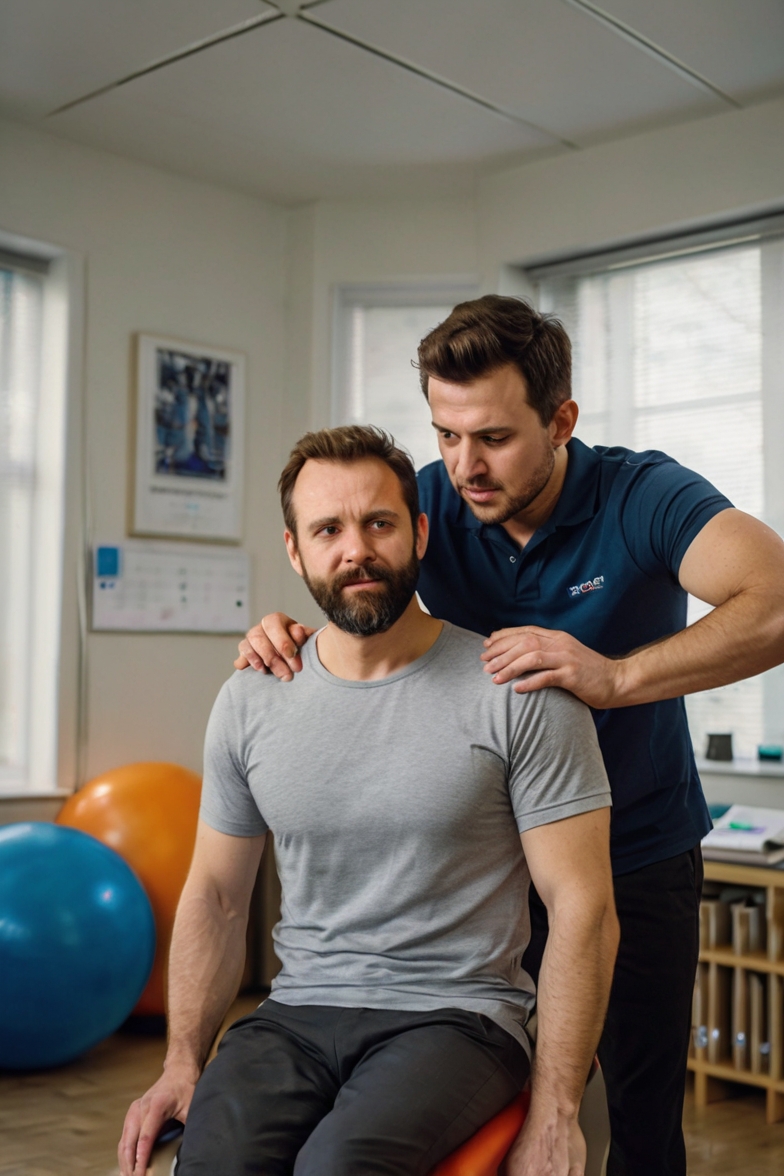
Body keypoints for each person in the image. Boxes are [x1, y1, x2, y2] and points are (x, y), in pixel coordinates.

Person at [237, 296, 784, 1176]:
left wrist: (618, 675)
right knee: (487, 1116)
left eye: (491, 436)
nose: (463, 466)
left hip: (633, 858)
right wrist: (284, 632)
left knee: (637, 1120)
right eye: (445, 435)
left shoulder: (642, 494)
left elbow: (775, 600)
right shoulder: (427, 501)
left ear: (561, 420)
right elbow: (359, 607)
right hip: (481, 869)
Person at [119, 425, 617, 1176]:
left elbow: (584, 906)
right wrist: (181, 1063)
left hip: (459, 1017)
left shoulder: (516, 691)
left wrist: (557, 1111)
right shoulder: (251, 699)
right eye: (328, 529)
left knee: (339, 1166)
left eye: (379, 523)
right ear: (295, 550)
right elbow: (218, 895)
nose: (356, 550)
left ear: (418, 532)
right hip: (294, 1015)